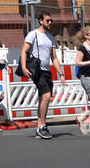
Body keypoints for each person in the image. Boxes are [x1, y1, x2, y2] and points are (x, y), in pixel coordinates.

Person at [20, 11, 62, 139]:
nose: (50, 23)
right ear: (40, 21)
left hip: (46, 71)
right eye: (47, 20)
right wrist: (23, 67)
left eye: (51, 21)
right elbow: (24, 51)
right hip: (36, 71)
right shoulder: (33, 34)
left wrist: (61, 73)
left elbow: (54, 57)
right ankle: (43, 125)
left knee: (43, 99)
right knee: (46, 96)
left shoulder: (50, 37)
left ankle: (39, 126)